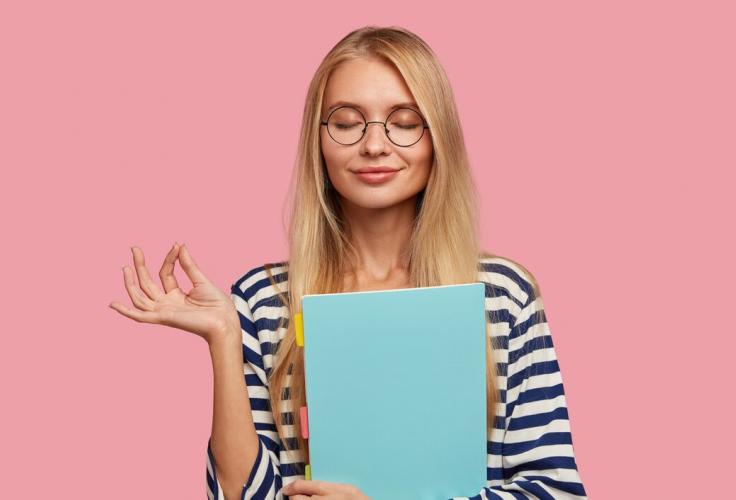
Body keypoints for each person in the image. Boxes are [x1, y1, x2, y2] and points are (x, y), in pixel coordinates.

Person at [110, 25, 587, 500]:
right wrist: (223, 336)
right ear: (319, 140)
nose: (374, 145)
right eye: (345, 122)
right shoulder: (261, 301)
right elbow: (238, 497)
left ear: (437, 136)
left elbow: (557, 491)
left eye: (403, 121)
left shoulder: (502, 295)